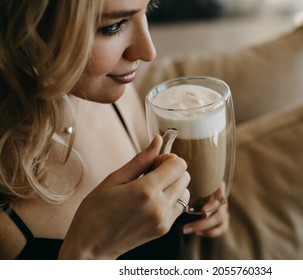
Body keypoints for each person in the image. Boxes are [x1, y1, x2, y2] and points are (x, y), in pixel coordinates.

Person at [0, 0, 229, 260]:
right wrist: (89, 253)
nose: (148, 51)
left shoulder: (120, 97)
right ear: (24, 29)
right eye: (113, 26)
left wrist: (192, 204)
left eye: (148, 9)